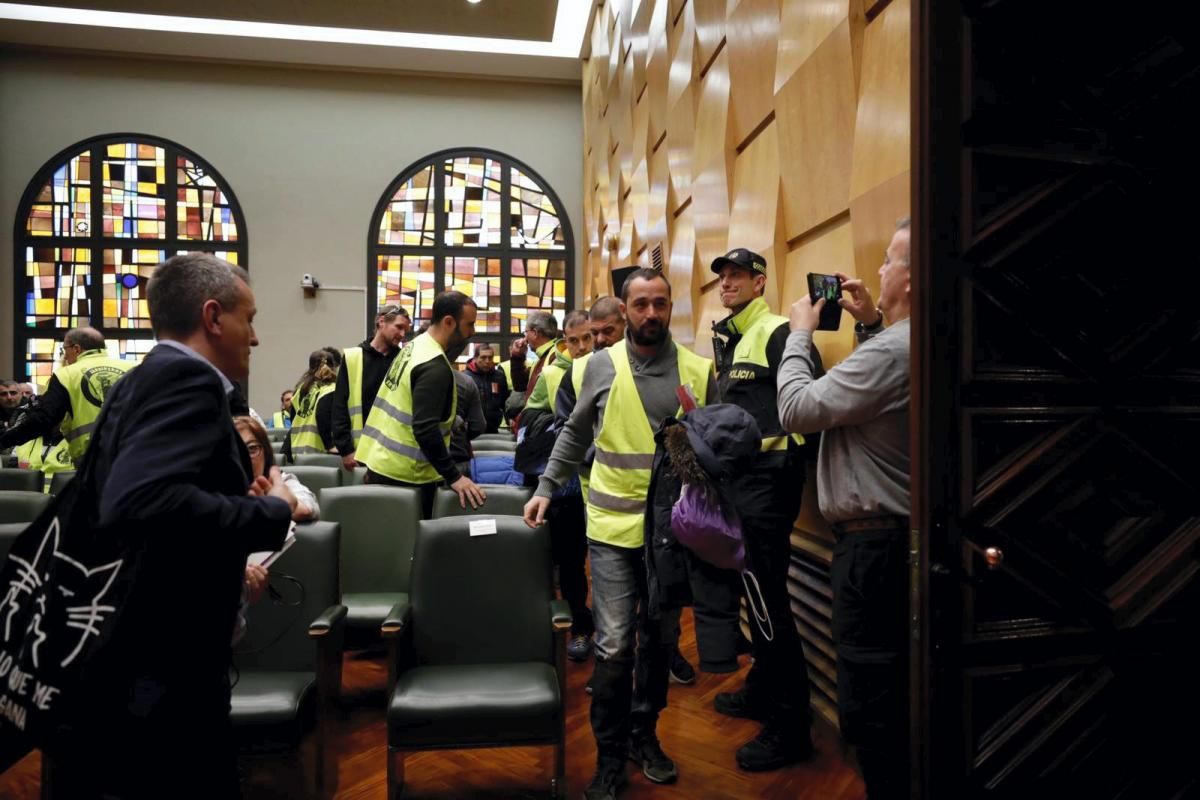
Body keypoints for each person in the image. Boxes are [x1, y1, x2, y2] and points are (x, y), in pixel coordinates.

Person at [45, 253, 295, 798]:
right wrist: (272, 508)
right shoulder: (187, 380)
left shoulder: (143, 377)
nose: (253, 337)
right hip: (162, 669)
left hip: (125, 656)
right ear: (212, 317)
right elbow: (142, 501)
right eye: (248, 319)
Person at [524, 268, 717, 800]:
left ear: (670, 307)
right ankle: (608, 757)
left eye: (660, 304)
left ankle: (644, 736)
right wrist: (545, 487)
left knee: (658, 640)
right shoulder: (597, 366)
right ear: (625, 310)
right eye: (641, 304)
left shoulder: (700, 370)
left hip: (671, 534)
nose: (651, 313)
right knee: (613, 645)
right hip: (611, 529)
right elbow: (574, 433)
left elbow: (714, 449)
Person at [776, 218, 912, 800]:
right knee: (887, 690)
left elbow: (797, 409)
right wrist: (872, 322)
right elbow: (875, 399)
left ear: (912, 275)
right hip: (889, 543)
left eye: (888, 259)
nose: (878, 269)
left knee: (872, 701)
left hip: (876, 549)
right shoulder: (905, 340)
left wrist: (799, 335)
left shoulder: (898, 349)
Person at [709, 247, 819, 770]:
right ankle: (759, 689)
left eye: (736, 276)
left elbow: (804, 406)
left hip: (769, 491)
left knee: (769, 605)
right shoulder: (729, 336)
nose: (726, 284)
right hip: (742, 488)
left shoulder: (777, 331)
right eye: (722, 278)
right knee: (756, 600)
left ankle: (790, 726)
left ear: (760, 282)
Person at [357, 290, 487, 518]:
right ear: (449, 322)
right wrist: (455, 476)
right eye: (469, 324)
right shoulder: (434, 365)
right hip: (407, 475)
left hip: (382, 463)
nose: (472, 332)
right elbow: (425, 428)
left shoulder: (414, 347)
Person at [524, 310, 596, 661]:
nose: (581, 347)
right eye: (574, 340)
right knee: (571, 563)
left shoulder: (614, 368)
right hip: (569, 482)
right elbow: (529, 415)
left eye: (588, 338)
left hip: (607, 481)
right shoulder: (553, 373)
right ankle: (580, 627)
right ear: (564, 341)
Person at [0, 327, 133, 464]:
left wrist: (4, 440)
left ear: (76, 348)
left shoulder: (66, 375)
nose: (64, 356)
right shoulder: (133, 368)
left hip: (94, 458)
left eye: (64, 350)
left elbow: (44, 418)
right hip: (134, 452)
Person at [331, 304, 409, 469]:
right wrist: (345, 450)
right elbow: (339, 406)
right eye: (399, 327)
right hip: (359, 450)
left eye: (405, 331)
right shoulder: (353, 357)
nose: (402, 334)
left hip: (395, 450)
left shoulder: (404, 359)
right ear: (382, 322)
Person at [235, 415, 319, 521]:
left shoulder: (282, 481)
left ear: (265, 452)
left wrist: (274, 507)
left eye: (252, 448)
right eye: (236, 451)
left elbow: (306, 509)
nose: (245, 459)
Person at [282, 349, 338, 461]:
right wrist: (330, 446)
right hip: (319, 452)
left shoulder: (300, 390)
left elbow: (294, 419)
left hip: (296, 450)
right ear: (333, 367)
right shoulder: (331, 389)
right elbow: (322, 416)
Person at [464, 344, 510, 433]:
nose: (487, 361)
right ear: (475, 358)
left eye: (490, 357)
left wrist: (510, 419)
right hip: (471, 429)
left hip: (493, 426)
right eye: (483, 357)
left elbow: (505, 400)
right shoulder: (466, 377)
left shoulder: (498, 376)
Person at [449, 369, 487, 475]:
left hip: (415, 459)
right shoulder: (465, 381)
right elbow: (478, 426)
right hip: (457, 455)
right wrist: (461, 435)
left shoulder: (406, 377)